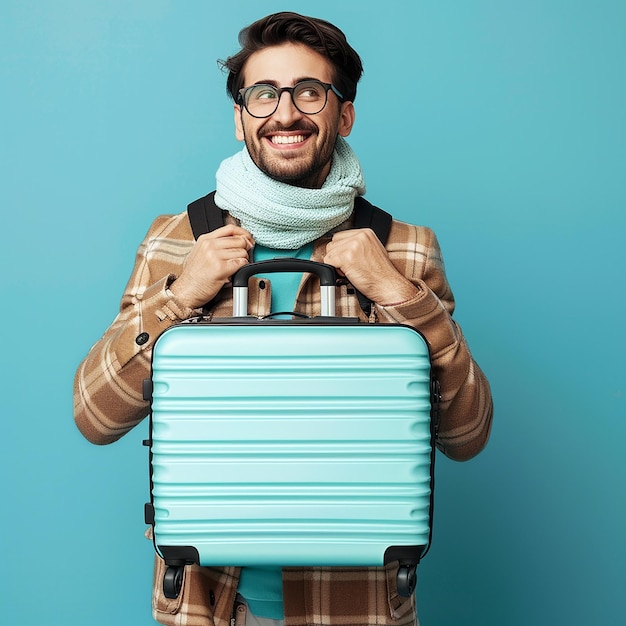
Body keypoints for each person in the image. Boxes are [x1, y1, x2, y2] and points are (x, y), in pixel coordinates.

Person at [74, 11, 493, 626]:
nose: (286, 113)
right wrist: (182, 293)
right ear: (241, 116)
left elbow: (466, 436)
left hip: (356, 609)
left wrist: (399, 295)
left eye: (309, 92)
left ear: (343, 113)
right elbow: (94, 416)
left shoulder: (403, 249)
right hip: (208, 606)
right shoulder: (176, 239)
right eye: (263, 94)